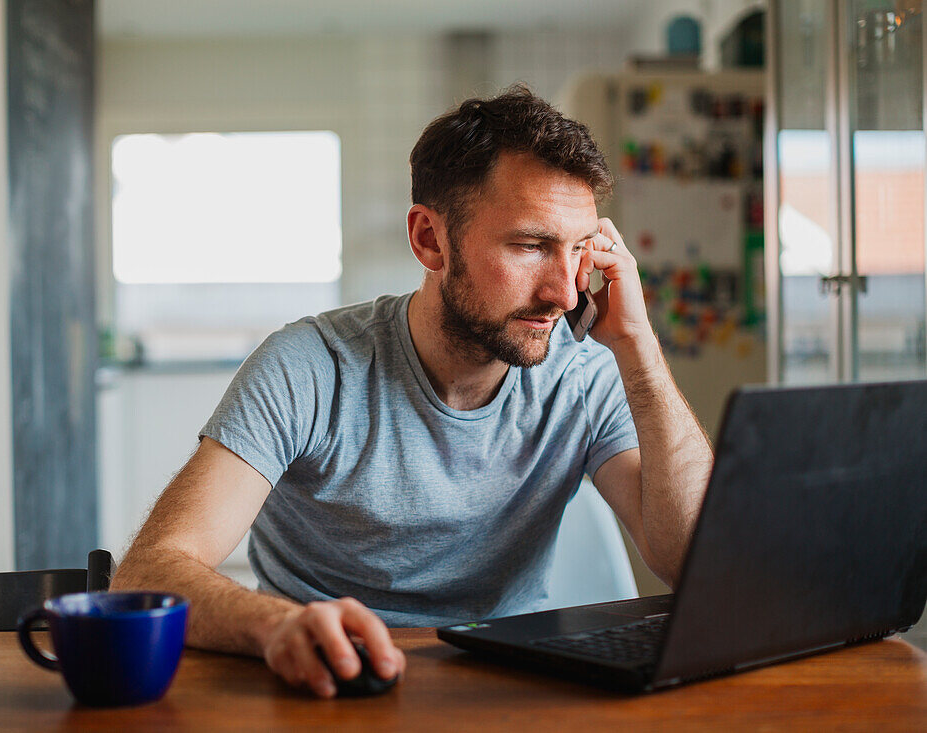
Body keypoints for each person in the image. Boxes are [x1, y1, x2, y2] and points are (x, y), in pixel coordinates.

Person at [111, 84, 713, 698]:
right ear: (430, 240)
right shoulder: (310, 367)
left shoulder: (586, 372)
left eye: (580, 250)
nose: (564, 293)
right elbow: (148, 573)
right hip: (331, 682)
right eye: (531, 246)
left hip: (508, 689)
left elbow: (696, 563)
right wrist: (276, 626)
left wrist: (637, 346)